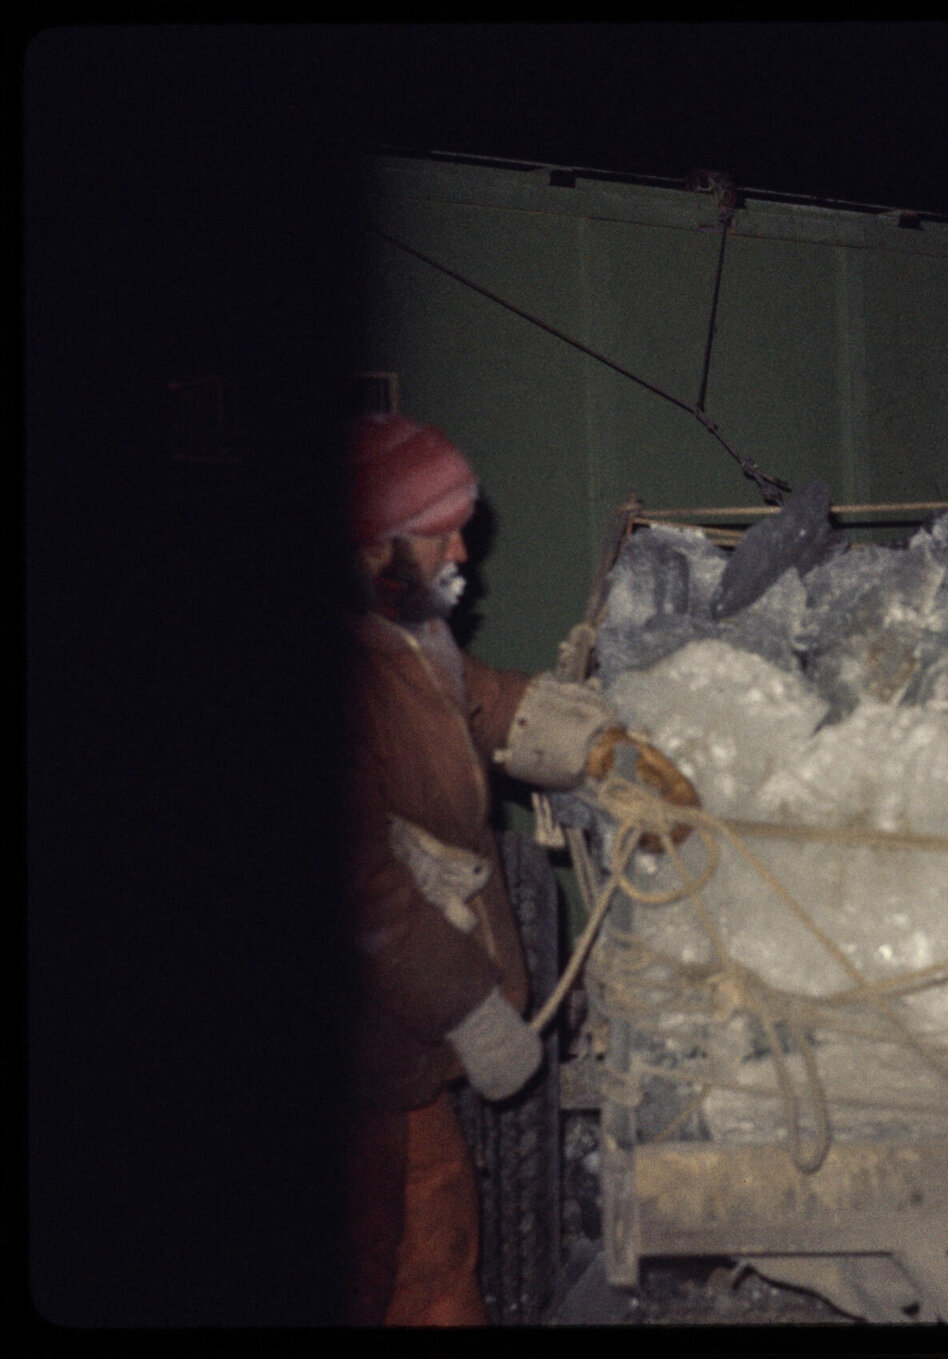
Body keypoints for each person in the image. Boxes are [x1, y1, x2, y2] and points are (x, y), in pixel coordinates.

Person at [342, 413, 686, 1325]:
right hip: (361, 1050)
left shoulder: (403, 640)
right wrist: (468, 1008)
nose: (464, 549)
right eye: (441, 531)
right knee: (376, 1261)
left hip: (394, 1055)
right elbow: (365, 897)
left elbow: (484, 702)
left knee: (435, 1246)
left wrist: (601, 745)